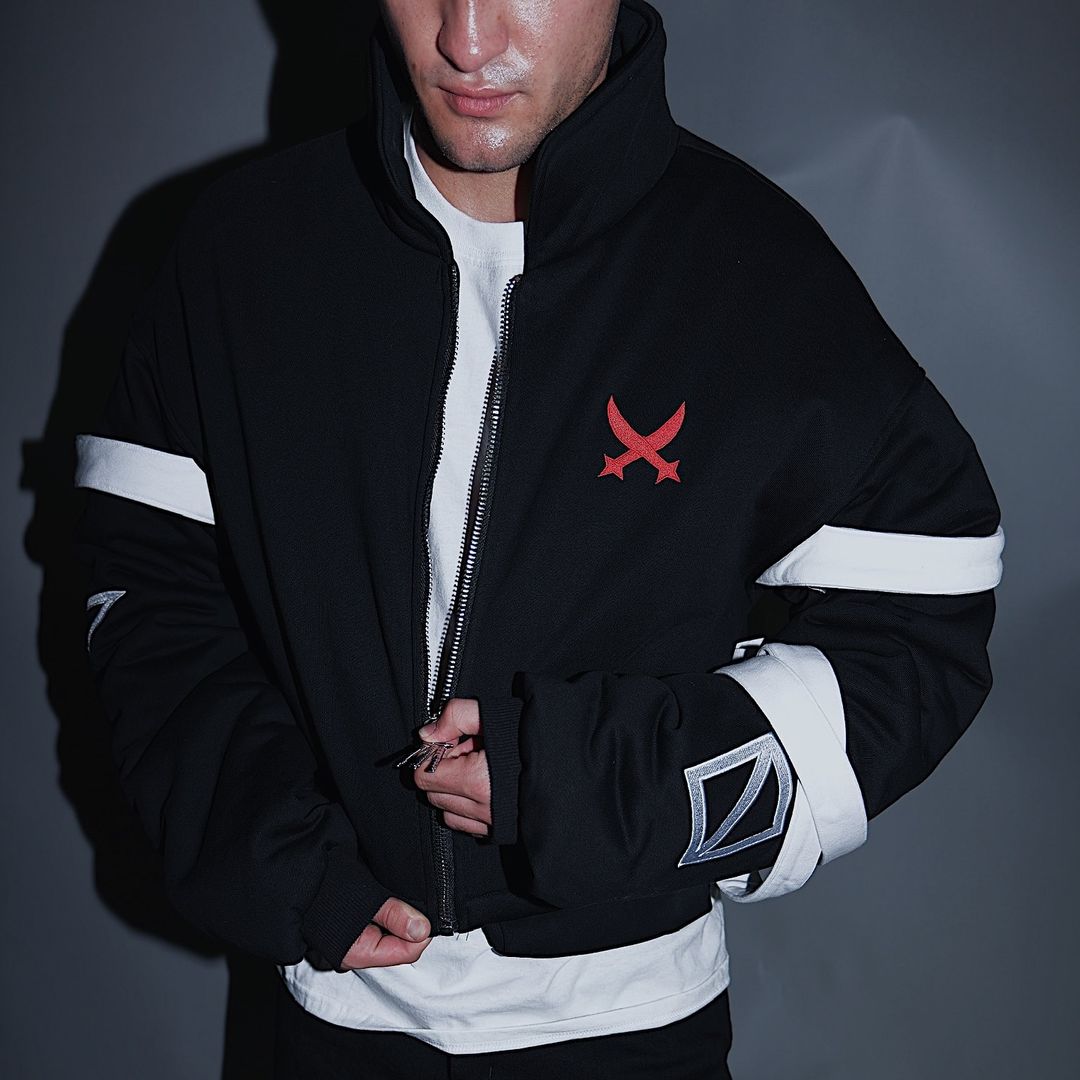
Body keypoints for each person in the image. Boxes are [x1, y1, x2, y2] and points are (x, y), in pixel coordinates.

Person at [72, 0, 1004, 1075]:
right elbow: (146, 587)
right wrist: (279, 854)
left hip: (629, 1024)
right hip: (320, 1017)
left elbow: (923, 629)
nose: (467, 40)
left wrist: (594, 784)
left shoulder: (757, 273)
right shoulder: (242, 250)